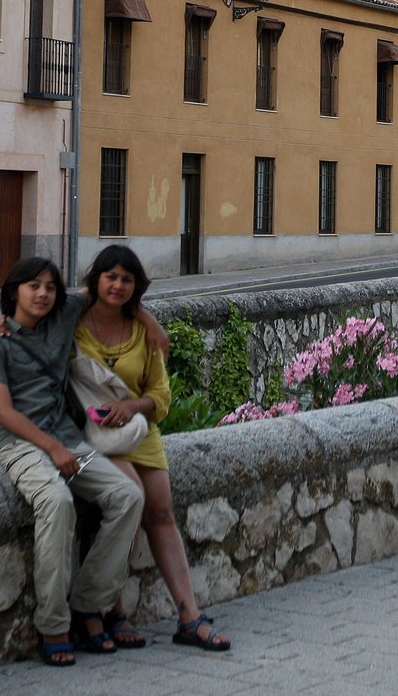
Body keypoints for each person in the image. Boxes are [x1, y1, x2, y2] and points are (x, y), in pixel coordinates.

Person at [0, 256, 148, 668]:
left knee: (127, 495)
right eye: (32, 286)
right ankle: (53, 623)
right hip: (20, 443)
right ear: (14, 291)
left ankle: (89, 604)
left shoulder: (64, 315)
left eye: (50, 287)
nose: (42, 294)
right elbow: (4, 412)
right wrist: (52, 448)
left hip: (68, 441)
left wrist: (152, 322)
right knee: (57, 501)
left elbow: (112, 289)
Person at [75, 247, 232, 654]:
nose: (117, 285)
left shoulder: (143, 331)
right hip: (95, 435)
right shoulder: (73, 321)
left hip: (139, 431)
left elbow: (160, 396)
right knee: (130, 501)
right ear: (96, 279)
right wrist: (0, 321)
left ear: (136, 286)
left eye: (126, 279)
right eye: (110, 276)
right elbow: (33, 307)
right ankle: (112, 609)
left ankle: (189, 615)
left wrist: (133, 405)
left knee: (161, 512)